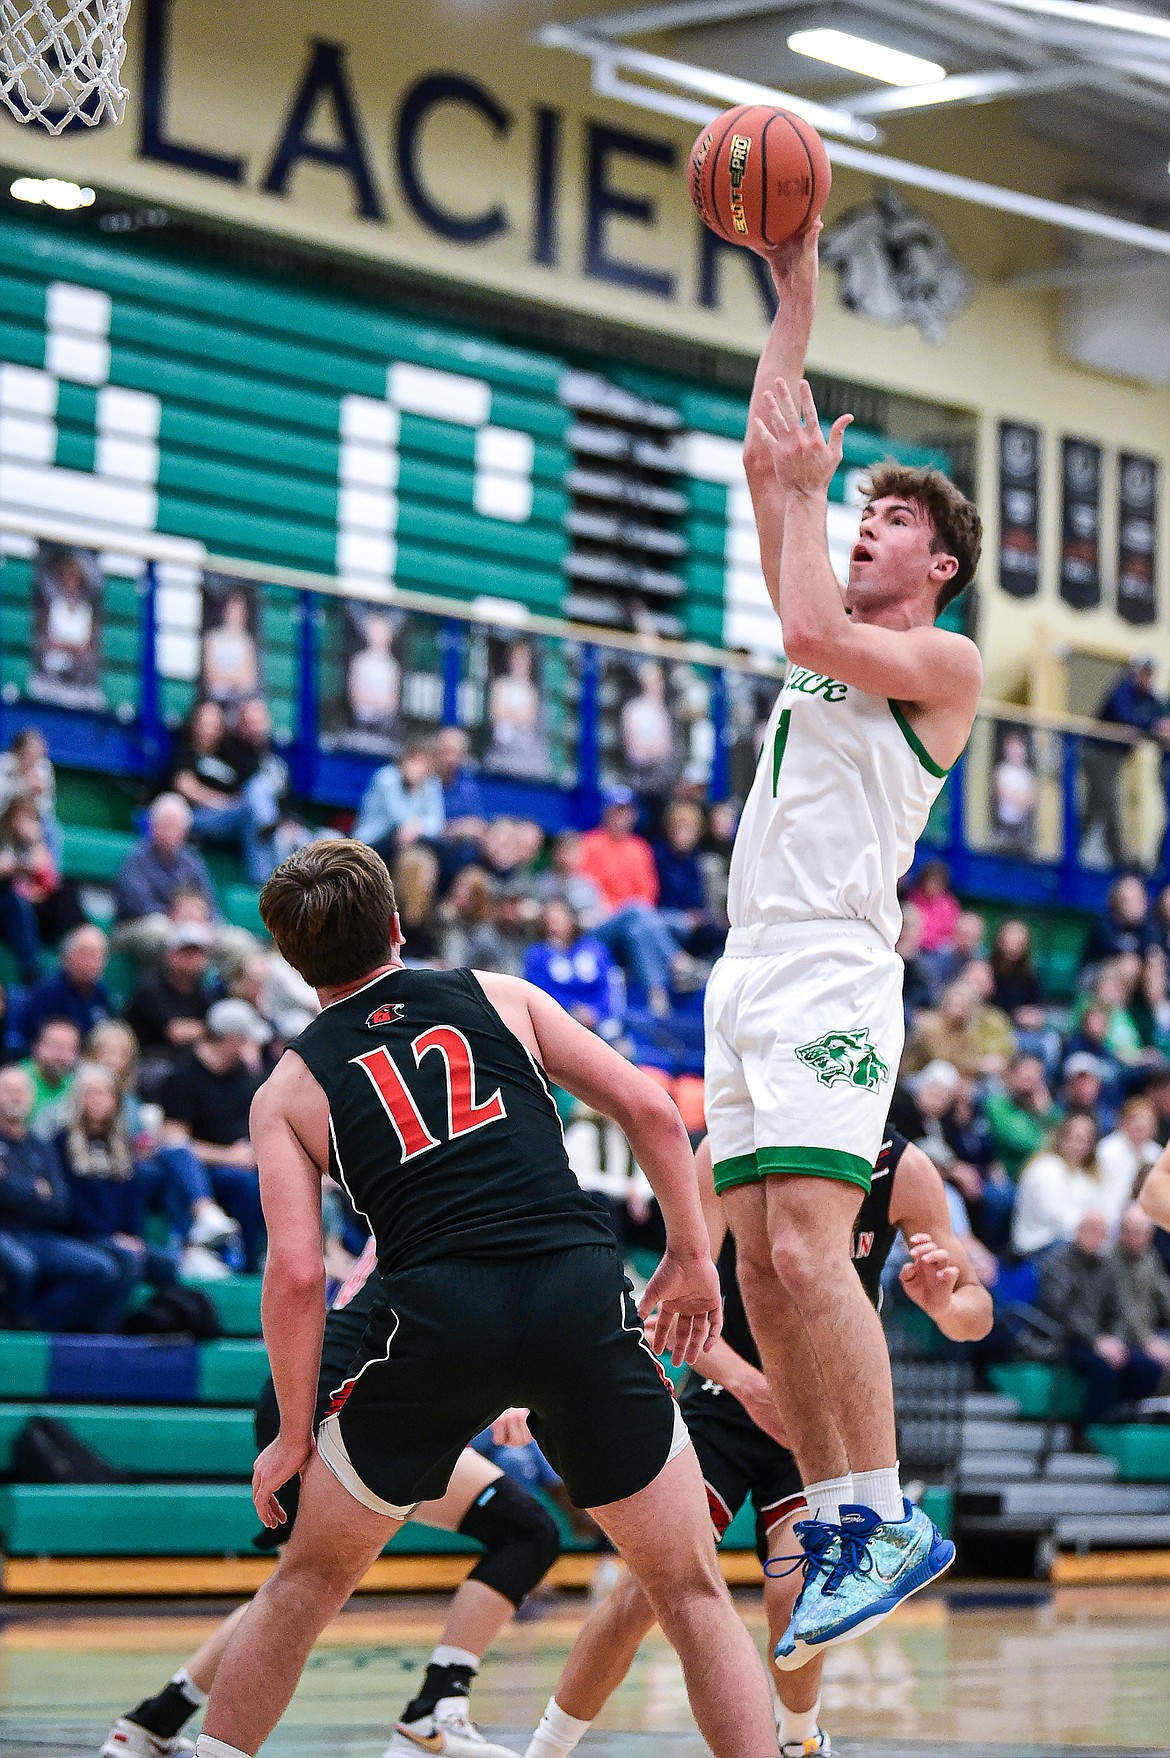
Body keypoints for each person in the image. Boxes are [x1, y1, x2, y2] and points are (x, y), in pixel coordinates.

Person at [190, 838, 782, 1758]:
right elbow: (658, 1113)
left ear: (294, 965)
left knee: (303, 1587)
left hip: (438, 1317)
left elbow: (298, 1275)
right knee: (690, 1591)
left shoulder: (291, 1088)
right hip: (575, 1290)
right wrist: (691, 1256)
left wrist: (294, 1435)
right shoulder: (497, 996)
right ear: (396, 926)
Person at [708, 218, 983, 1665]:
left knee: (815, 1246)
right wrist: (793, 284)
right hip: (745, 961)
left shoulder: (938, 665)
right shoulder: (825, 614)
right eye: (860, 511)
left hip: (828, 961)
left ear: (937, 566)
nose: (861, 522)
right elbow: (770, 458)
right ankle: (836, 1512)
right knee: (759, 1268)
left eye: (889, 520)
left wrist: (809, 517)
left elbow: (808, 616)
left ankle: (880, 1511)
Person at [524, 1128, 990, 1758]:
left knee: (795, 1585)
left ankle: (800, 1738)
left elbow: (975, 1309)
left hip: (821, 1426)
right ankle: (548, 1748)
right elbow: (668, 1309)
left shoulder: (903, 1170)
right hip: (726, 1403)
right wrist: (749, 1385)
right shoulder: (728, 1150)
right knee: (647, 1588)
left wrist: (943, 1307)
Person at [101, 1240, 560, 1758]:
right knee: (308, 1585)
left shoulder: (434, 1185)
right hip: (340, 1401)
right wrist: (505, 1384)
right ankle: (433, 1711)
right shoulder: (465, 1194)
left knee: (302, 1583)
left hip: (334, 1393)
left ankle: (154, 1720)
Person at [0, 1064, 127, 1332]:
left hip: (39, 1234)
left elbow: (60, 1205)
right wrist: (35, 1190)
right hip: (5, 1231)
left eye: (22, 1091)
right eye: (8, 1090)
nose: (16, 1096)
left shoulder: (40, 1144)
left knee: (101, 1269)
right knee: (23, 1266)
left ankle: (35, 1324)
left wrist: (14, 1185)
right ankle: (12, 1328)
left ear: (32, 1097)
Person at [159, 999, 268, 1272]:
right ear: (231, 1040)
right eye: (246, 1040)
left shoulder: (246, 1076)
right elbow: (174, 1143)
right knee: (243, 1184)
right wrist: (229, 1157)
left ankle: (251, 1263)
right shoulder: (183, 1076)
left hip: (243, 1161)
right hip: (201, 1168)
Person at [1031, 1212, 1161, 1423]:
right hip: (1065, 1339)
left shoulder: (1106, 1266)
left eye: (1100, 1231)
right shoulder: (1056, 1262)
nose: (1094, 1236)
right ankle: (1087, 1430)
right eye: (1089, 1229)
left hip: (1104, 1340)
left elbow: (1119, 1310)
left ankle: (1124, 1418)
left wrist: (1117, 1340)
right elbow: (1063, 1312)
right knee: (1103, 1368)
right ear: (1078, 1231)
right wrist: (1097, 1341)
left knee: (1149, 1367)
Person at [114, 794, 221, 960]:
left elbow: (209, 901)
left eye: (176, 826)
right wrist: (177, 917)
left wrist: (206, 921)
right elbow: (139, 905)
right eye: (166, 824)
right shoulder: (136, 858)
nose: (171, 831)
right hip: (136, 926)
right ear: (152, 825)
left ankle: (214, 986)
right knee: (161, 931)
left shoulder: (192, 861)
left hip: (190, 925)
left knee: (234, 941)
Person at [1011, 1112, 1121, 1257]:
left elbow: (1105, 1208)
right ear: (1061, 1138)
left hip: (1078, 1241)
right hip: (1041, 1245)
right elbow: (1055, 1217)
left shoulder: (1088, 1174)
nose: (1080, 1146)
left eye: (1087, 1141)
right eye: (1076, 1139)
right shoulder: (1045, 1167)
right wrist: (1090, 1230)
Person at [21, 924, 112, 1050]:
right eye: (84, 954)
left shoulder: (101, 993)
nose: (91, 962)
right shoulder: (48, 991)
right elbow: (35, 1038)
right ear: (67, 955)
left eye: (96, 956)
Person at [353, 740, 446, 858]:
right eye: (414, 761)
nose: (418, 767)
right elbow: (399, 818)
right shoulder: (386, 778)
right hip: (372, 841)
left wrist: (418, 826)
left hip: (407, 839)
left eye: (423, 763)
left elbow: (437, 824)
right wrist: (418, 824)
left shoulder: (431, 783)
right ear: (403, 761)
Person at [1112, 1202, 1170, 1389]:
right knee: (1150, 1365)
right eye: (1130, 1232)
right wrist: (1147, 1341)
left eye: (1141, 1233)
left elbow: (1165, 1295)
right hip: (1123, 1336)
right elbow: (1125, 1308)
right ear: (1122, 1232)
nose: (1135, 1238)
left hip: (1150, 1332)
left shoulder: (1149, 1259)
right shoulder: (1111, 1262)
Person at [202, 590, 259, 706]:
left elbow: (249, 681)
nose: (234, 615)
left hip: (241, 702)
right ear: (225, 611)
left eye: (238, 612)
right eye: (231, 610)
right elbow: (211, 678)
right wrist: (235, 679)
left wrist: (226, 679)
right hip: (214, 701)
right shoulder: (211, 638)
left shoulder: (247, 642)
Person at [19, 1016, 80, 1123]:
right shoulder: (16, 1079)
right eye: (57, 1047)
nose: (62, 1056)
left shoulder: (77, 1086)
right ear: (36, 1046)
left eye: (70, 1048)